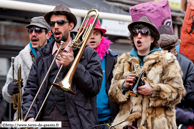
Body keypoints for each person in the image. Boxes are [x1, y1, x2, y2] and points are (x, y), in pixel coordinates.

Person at [22, 4, 103, 129]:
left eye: (60, 22)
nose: (55, 27)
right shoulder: (43, 54)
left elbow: (94, 86)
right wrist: (30, 116)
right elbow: (30, 89)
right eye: (53, 23)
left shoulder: (88, 53)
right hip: (44, 120)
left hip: (74, 122)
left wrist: (73, 66)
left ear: (71, 26)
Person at [108, 16, 185, 129]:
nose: (139, 36)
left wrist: (153, 91)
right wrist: (123, 85)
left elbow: (177, 93)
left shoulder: (167, 59)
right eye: (135, 33)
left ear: (152, 38)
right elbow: (112, 94)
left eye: (144, 32)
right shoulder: (124, 60)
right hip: (128, 124)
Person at [2, 16, 51, 119]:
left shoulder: (57, 56)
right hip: (25, 117)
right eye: (30, 30)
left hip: (50, 117)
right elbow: (7, 96)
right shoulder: (19, 59)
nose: (33, 34)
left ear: (48, 35)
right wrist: (9, 90)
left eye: (38, 30)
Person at [158, 25, 194, 129]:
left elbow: (189, 95)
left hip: (179, 119)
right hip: (181, 118)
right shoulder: (188, 63)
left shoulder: (187, 64)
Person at [85, 18, 119, 128]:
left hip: (109, 119)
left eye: (96, 33)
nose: (92, 37)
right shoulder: (76, 58)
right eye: (89, 33)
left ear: (101, 37)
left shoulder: (112, 59)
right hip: (85, 118)